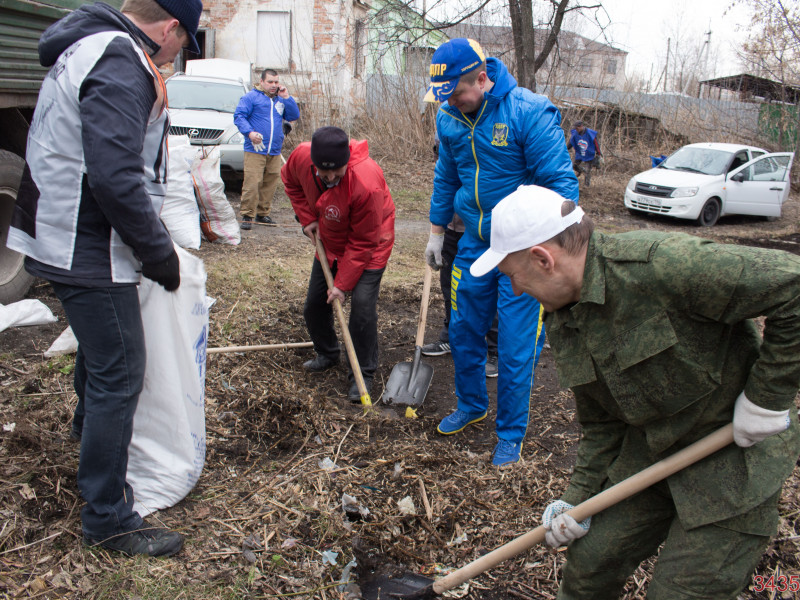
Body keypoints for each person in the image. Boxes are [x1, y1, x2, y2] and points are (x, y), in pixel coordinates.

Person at [471, 184, 800, 599]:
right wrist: (577, 499)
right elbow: (602, 423)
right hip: (652, 456)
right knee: (589, 568)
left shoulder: (662, 266)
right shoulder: (564, 318)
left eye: (512, 275)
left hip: (734, 462)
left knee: (679, 593)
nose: (516, 289)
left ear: (542, 258)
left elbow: (794, 287)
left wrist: (766, 399)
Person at [6, 0, 203, 557]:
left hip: (65, 234)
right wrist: (157, 252)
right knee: (121, 372)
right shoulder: (121, 60)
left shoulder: (91, 46)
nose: (177, 54)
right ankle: (108, 517)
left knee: (100, 356)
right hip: (86, 245)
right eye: (183, 42)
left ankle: (88, 435)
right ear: (170, 27)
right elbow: (114, 175)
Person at [424, 38, 578, 466]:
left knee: (515, 344)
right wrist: (436, 231)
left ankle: (510, 433)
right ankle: (471, 405)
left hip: (524, 250)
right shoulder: (449, 117)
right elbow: (446, 175)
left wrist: (550, 251)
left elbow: (562, 188)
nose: (451, 102)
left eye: (457, 93)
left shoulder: (528, 112)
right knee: (463, 330)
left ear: (482, 78)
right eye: (445, 97)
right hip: (474, 242)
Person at [281, 127, 395, 402]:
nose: (331, 178)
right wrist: (307, 218)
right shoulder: (300, 158)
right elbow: (290, 181)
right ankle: (328, 352)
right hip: (330, 242)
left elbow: (363, 242)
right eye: (324, 172)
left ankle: (362, 373)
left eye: (337, 172)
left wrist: (342, 286)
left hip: (371, 246)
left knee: (362, 309)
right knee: (314, 305)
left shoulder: (366, 183)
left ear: (347, 161)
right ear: (314, 163)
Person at [421, 214, 499, 379]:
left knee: (486, 291)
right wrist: (436, 234)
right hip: (450, 229)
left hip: (481, 232)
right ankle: (451, 337)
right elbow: (441, 199)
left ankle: (496, 350)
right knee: (450, 286)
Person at [234, 68, 300, 230]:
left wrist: (287, 97)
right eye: (270, 82)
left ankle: (263, 213)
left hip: (275, 149)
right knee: (253, 182)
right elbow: (239, 116)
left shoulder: (280, 99)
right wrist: (250, 133)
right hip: (255, 148)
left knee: (270, 182)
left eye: (276, 82)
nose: (273, 85)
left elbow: (293, 115)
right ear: (262, 81)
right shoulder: (251, 97)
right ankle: (247, 215)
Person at [566, 120, 602, 187]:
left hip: (589, 153)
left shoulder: (590, 133)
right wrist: (565, 149)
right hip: (579, 153)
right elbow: (571, 142)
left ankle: (586, 186)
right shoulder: (575, 133)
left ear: (581, 126)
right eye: (575, 128)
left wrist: (598, 153)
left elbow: (596, 143)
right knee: (574, 165)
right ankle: (580, 170)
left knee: (588, 170)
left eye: (577, 128)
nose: (576, 130)